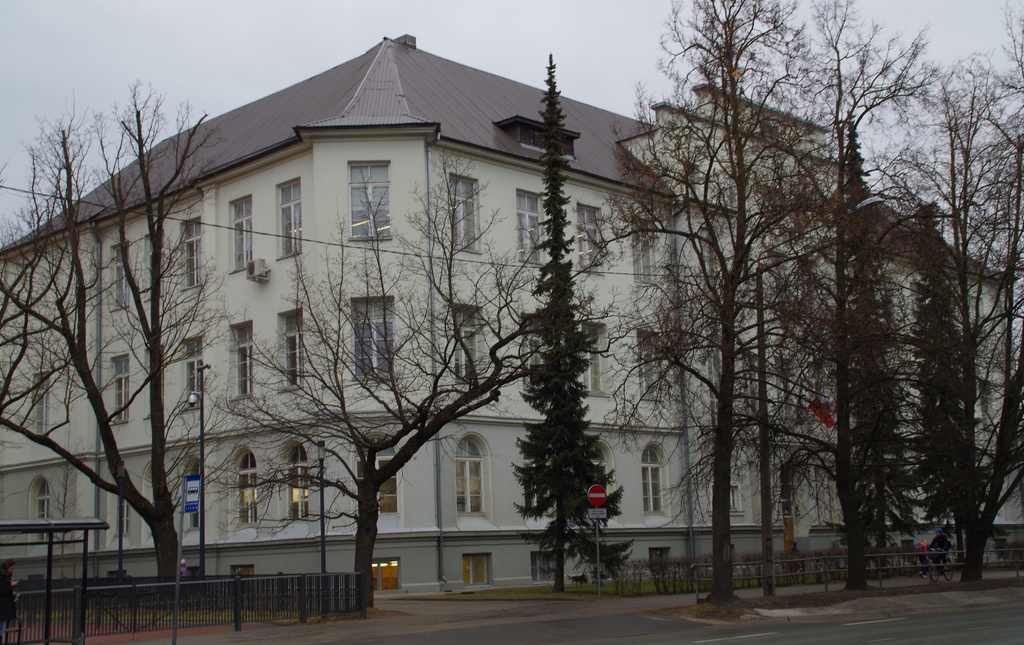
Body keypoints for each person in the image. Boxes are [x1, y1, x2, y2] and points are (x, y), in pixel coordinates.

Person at [0, 559, 18, 640]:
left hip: (4, 607)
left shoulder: (7, 576)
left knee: (1, 630)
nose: (12, 570)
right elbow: (2, 591)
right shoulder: (2, 577)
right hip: (2, 607)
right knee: (0, 630)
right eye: (11, 568)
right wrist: (11, 586)